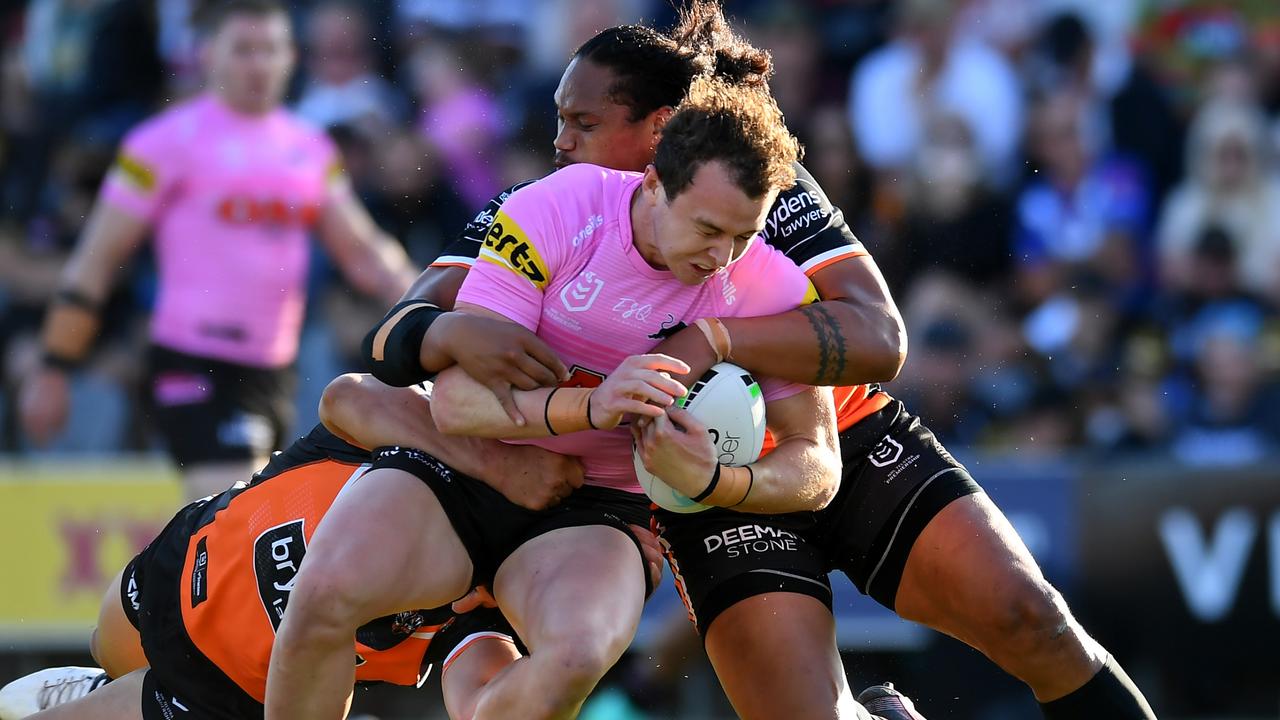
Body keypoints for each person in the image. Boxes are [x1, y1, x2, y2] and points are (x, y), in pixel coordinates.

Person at [336, 4, 1157, 719]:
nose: (559, 143)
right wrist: (447, 337)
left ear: (656, 132)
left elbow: (879, 338)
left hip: (842, 431)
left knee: (1033, 622)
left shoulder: (759, 182)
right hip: (699, 489)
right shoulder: (543, 210)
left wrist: (713, 342)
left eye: (582, 124)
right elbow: (397, 331)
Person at [264, 76, 849, 720]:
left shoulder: (765, 282)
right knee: (321, 598)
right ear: (653, 182)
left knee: (575, 656)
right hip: (463, 466)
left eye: (743, 235)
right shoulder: (560, 206)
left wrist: (720, 480)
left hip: (596, 511)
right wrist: (594, 407)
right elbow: (457, 404)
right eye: (708, 228)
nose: (723, 256)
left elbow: (818, 464)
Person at [17, 0, 417, 501]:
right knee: (232, 507)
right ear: (207, 55)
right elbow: (97, 260)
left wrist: (434, 313)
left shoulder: (308, 148)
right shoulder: (162, 144)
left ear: (291, 57)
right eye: (244, 50)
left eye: (271, 49)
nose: (260, 64)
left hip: (274, 370)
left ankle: (139, 582)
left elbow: (364, 255)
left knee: (231, 534)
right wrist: (54, 369)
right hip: (193, 359)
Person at [0, 422, 528, 720]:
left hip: (230, 692)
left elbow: (484, 697)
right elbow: (349, 392)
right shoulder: (409, 445)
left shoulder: (483, 613)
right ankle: (97, 686)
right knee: (106, 648)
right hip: (186, 567)